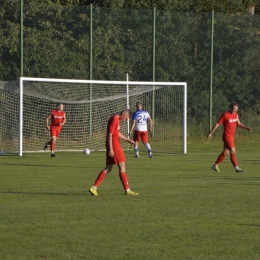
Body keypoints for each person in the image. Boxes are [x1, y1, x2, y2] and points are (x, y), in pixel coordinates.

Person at [89, 109, 139, 196]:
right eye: (126, 118)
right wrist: (111, 149)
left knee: (108, 168)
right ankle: (127, 190)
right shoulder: (114, 120)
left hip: (112, 145)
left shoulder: (116, 119)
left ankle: (94, 188)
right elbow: (109, 134)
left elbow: (117, 133)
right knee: (122, 166)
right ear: (123, 114)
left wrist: (127, 139)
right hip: (114, 145)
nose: (126, 120)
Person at [207, 102, 252, 172]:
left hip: (231, 136)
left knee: (225, 152)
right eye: (234, 109)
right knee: (233, 150)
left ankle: (215, 165)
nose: (235, 110)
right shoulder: (225, 115)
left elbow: (239, 124)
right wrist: (211, 133)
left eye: (236, 109)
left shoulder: (235, 115)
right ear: (230, 107)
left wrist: (247, 128)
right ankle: (237, 168)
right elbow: (218, 124)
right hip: (226, 136)